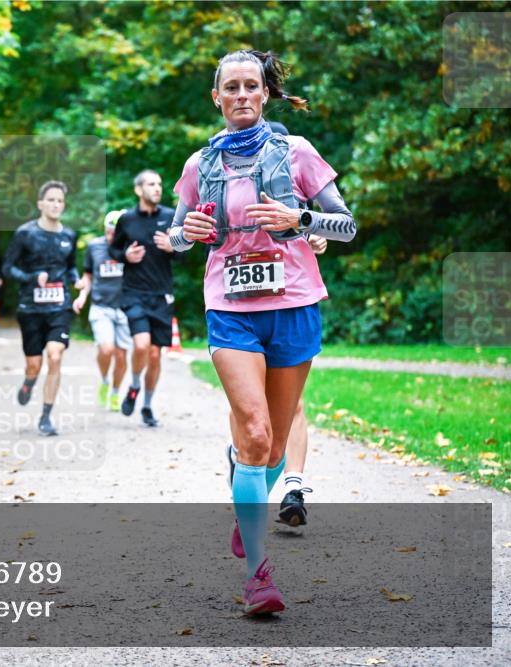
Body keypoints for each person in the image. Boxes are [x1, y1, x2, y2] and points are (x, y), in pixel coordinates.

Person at [168, 49, 356, 615]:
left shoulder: (296, 153)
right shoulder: (200, 164)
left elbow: (344, 225)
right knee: (253, 433)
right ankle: (257, 575)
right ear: (217, 97)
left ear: (265, 93)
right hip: (230, 305)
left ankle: (244, 499)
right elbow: (174, 236)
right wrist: (189, 231)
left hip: (295, 302)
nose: (243, 94)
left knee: (273, 443)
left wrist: (298, 220)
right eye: (233, 87)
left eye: (253, 85)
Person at [223, 121, 327, 527]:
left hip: (291, 304)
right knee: (252, 420)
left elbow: (323, 222)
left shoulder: (295, 163)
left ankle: (291, 486)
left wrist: (311, 230)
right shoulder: (223, 175)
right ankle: (244, 465)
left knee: (287, 413)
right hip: (238, 311)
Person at [4, 181, 79, 436]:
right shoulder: (25, 233)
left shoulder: (69, 236)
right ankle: (29, 381)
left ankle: (46, 416)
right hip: (31, 307)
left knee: (55, 356)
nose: (56, 204)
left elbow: (70, 267)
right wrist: (31, 278)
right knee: (34, 365)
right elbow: (8, 268)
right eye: (51, 200)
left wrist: (76, 279)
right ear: (40, 204)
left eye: (60, 201)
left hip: (60, 306)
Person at [108, 170, 181, 427]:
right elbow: (114, 249)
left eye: (160, 184)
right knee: (141, 346)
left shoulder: (170, 217)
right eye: (151, 184)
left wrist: (173, 248)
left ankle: (147, 406)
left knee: (154, 354)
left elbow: (183, 253)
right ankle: (135, 384)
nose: (157, 188)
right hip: (134, 293)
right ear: (139, 190)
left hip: (162, 294)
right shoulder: (126, 220)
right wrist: (125, 255)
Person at [74, 209, 132, 411]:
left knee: (122, 356)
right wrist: (82, 295)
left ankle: (115, 393)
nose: (111, 237)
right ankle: (105, 380)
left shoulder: (130, 248)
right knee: (106, 350)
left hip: (125, 309)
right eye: (109, 232)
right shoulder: (94, 247)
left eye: (116, 233)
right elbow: (88, 276)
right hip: (101, 307)